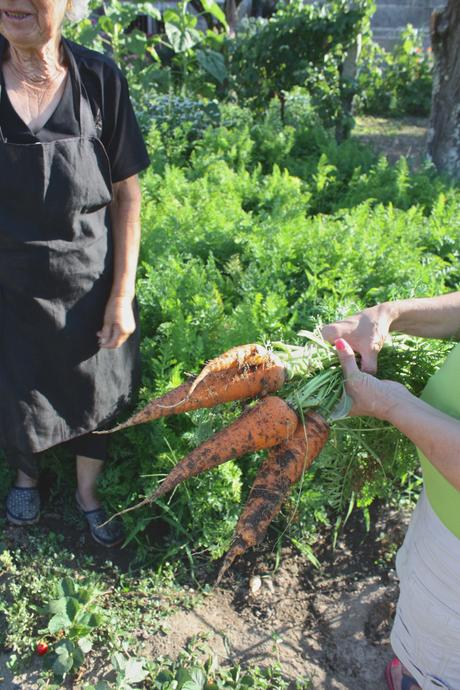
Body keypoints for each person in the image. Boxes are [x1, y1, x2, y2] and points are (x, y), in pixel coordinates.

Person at [0, 0, 150, 546]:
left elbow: (126, 193)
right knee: (16, 381)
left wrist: (122, 293)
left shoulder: (98, 78)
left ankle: (88, 491)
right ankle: (26, 474)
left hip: (87, 279)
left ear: (69, 5)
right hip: (10, 285)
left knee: (98, 388)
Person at [322, 292, 460, 690]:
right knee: (424, 637)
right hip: (443, 511)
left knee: (442, 668)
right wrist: (391, 313)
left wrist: (393, 406)